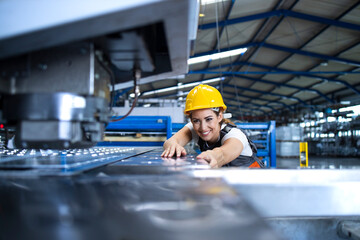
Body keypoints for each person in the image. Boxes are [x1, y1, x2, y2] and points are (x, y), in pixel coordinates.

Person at [161, 84, 265, 168]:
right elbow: (170, 141)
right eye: (196, 120)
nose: (203, 127)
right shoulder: (195, 127)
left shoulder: (235, 135)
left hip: (254, 185)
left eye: (209, 119)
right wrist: (172, 146)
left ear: (219, 116)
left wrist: (213, 155)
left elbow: (222, 154)